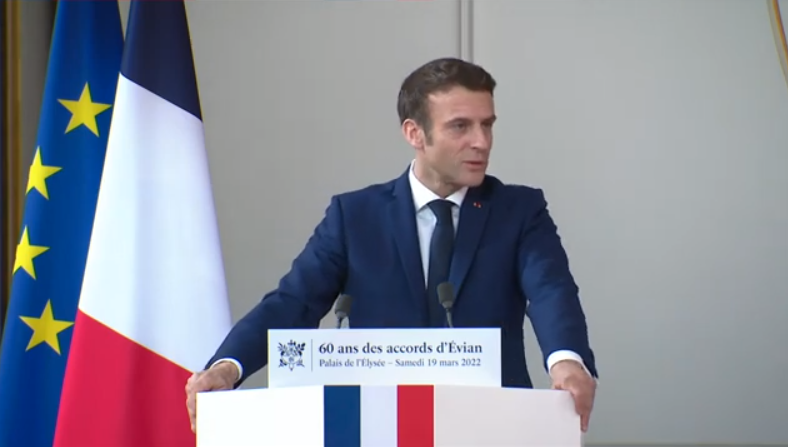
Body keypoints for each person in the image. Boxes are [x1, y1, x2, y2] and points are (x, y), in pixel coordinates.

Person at [185, 57, 598, 432]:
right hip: (377, 425)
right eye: (460, 126)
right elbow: (294, 302)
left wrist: (567, 361)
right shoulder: (354, 216)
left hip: (492, 426)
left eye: (487, 124)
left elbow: (551, 290)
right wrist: (227, 367)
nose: (482, 141)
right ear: (415, 133)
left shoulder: (519, 210)